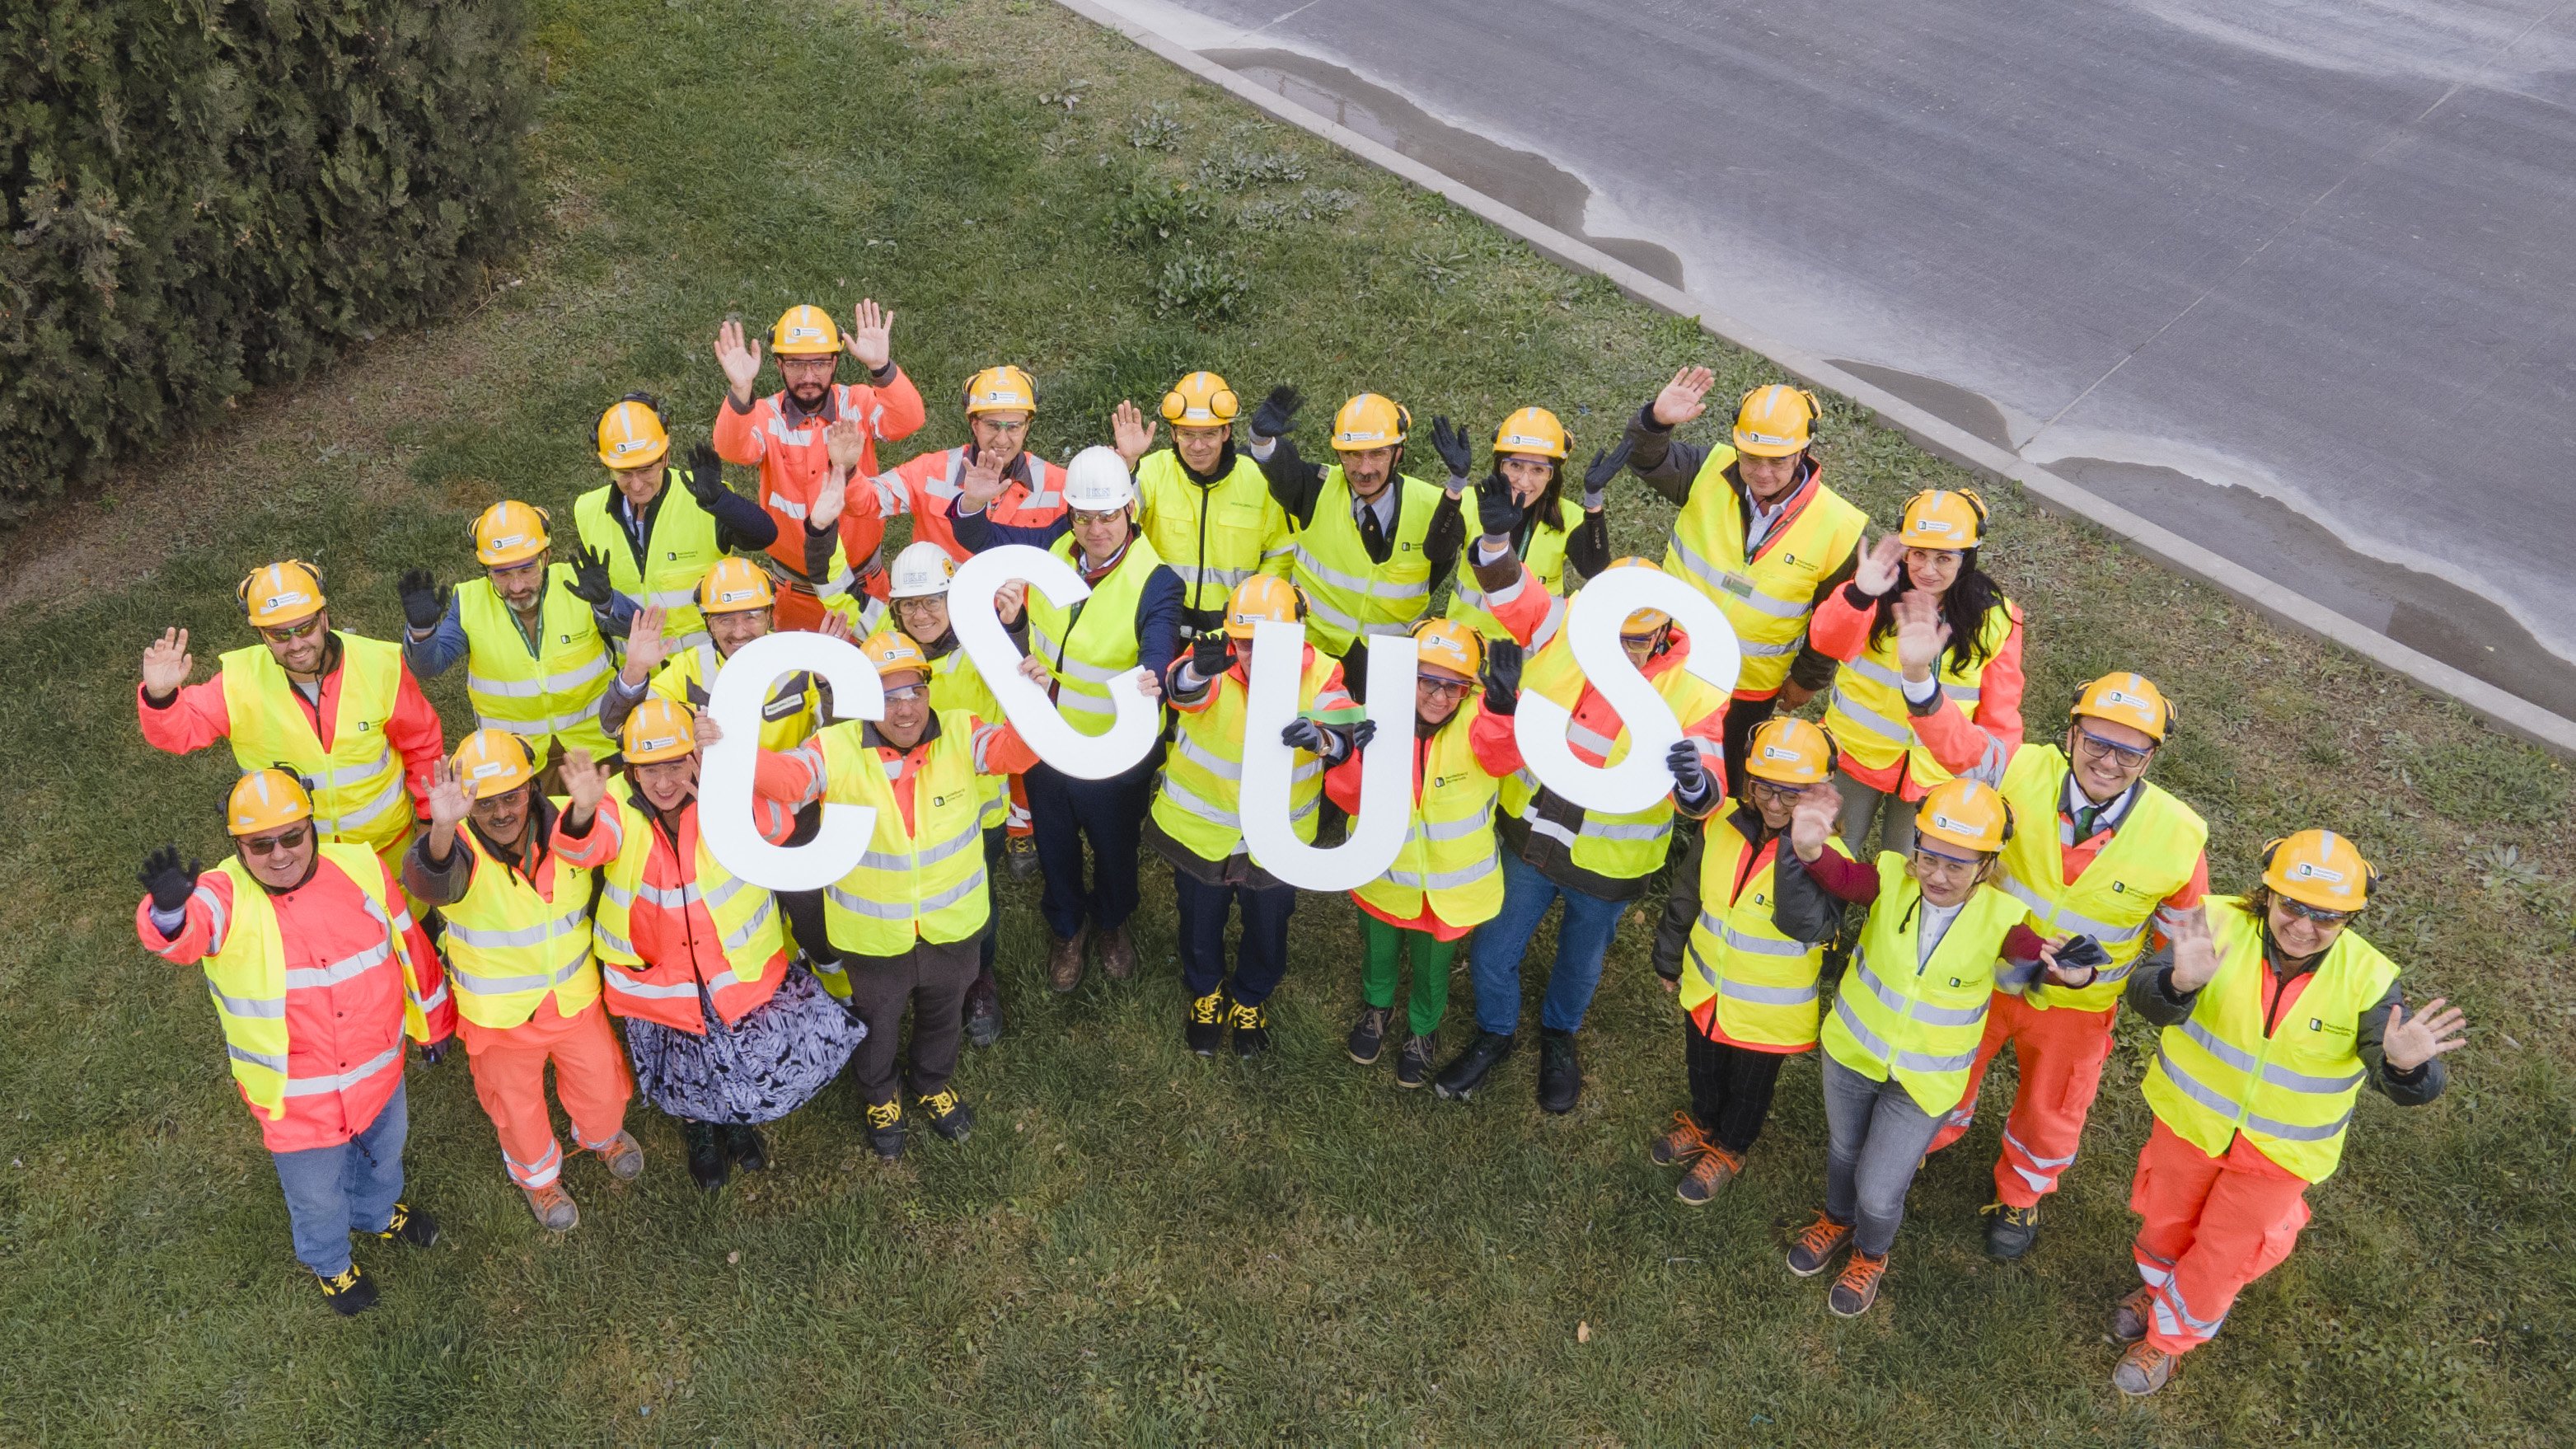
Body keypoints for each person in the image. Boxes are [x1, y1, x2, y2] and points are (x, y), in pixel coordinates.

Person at [2106, 832, 2463, 1396]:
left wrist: (2405, 1068)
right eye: (2293, 905)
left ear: (2351, 918)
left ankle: (2168, 1343)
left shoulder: (2369, 979)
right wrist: (2175, 982)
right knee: (2165, 1220)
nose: (2303, 926)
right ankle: (2157, 1291)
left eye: (2327, 916)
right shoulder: (2213, 922)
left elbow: (2403, 1076)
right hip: (2188, 1125)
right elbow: (2147, 997)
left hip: (2278, 1156)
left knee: (2224, 1252)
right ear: (2268, 894)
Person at [133, 769, 455, 1315]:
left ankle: (377, 1214)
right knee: (316, 1197)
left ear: (313, 828)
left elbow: (408, 944)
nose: (279, 854)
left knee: (385, 1157)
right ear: (238, 846)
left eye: (292, 837)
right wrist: (167, 913)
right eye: (260, 844)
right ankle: (331, 1264)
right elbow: (186, 936)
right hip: (296, 1103)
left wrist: (433, 1022)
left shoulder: (358, 865)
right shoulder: (221, 894)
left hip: (378, 1073)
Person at [1916, 665, 2209, 1261]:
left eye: (2129, 752)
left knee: (2054, 1107)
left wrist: (2137, 981)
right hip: (1984, 974)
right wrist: (1919, 677)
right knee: (1946, 1065)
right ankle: (1924, 1139)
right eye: (2097, 742)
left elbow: (2181, 949)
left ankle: (2022, 1192)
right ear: (2071, 735)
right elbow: (1955, 744)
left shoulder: (2178, 838)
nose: (2108, 762)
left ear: (2151, 759)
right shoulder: (2020, 770)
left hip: (2078, 1007)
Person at [1770, 776, 2087, 1317]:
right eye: (1929, 858)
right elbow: (1842, 877)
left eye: (1957, 866)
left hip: (1923, 1082)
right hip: (1853, 1051)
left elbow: (2041, 957)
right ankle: (1836, 1219)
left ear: (1986, 866)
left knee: (1878, 1190)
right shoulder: (1893, 879)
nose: (1938, 876)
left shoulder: (2000, 918)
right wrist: (1807, 848)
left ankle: (1871, 1252)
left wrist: (2072, 974)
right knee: (1844, 1150)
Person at [1436, 532, 1727, 1113]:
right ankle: (1496, 1032)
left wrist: (1695, 783)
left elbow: (1707, 782)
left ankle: (1558, 1036)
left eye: (1637, 645)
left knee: (1579, 962)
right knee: (1494, 952)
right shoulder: (1570, 624)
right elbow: (1516, 597)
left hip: (1606, 863)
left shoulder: (1697, 681)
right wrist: (1495, 542)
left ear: (1665, 631)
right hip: (1532, 837)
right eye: (1611, 641)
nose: (1620, 657)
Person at [741, 631, 1043, 1160]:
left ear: (929, 691)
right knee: (877, 1024)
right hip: (875, 937)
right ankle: (880, 1095)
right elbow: (788, 782)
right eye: (887, 696)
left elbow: (1014, 753)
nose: (904, 710)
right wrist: (731, 748)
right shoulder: (834, 748)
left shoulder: (960, 732)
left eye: (914, 693)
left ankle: (930, 1083)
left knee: (943, 1015)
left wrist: (1033, 703)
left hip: (952, 926)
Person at [592, 697, 864, 1190]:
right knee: (685, 1061)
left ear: (695, 759)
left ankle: (734, 1118)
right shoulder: (612, 803)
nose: (665, 782)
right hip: (663, 977)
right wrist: (584, 808)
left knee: (736, 1053)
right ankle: (701, 1129)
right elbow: (585, 845)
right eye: (649, 770)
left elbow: (778, 828)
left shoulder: (720, 792)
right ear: (630, 773)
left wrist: (725, 791)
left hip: (729, 969)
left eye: (676, 764)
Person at [952, 445, 1183, 992]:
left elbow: (1157, 648)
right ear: (1070, 515)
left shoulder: (1158, 580)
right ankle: (1067, 928)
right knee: (1054, 841)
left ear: (1130, 511)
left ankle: (1111, 922)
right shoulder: (1052, 548)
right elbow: (980, 543)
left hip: (1111, 753)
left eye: (1106, 516)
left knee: (1113, 846)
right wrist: (974, 506)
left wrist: (1153, 676)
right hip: (1044, 740)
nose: (1095, 529)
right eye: (1083, 516)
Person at [402, 730, 640, 1231]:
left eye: (510, 796)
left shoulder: (567, 813)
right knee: (517, 1109)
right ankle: (540, 1182)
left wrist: (583, 811)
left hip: (574, 1000)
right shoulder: (455, 843)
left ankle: (602, 1138)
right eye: (484, 803)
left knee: (602, 1088)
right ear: (466, 804)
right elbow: (429, 882)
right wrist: (442, 827)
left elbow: (588, 846)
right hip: (500, 1021)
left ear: (531, 787)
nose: (501, 813)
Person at [1618, 372, 1866, 788]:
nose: (1762, 472)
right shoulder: (1707, 471)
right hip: (1668, 658)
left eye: (1777, 460)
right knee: (1637, 754)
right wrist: (1656, 423)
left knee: (1722, 780)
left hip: (1747, 688)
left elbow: (1834, 622)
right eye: (1750, 457)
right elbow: (1646, 459)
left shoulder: (1841, 527)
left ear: (1803, 451)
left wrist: (1805, 681)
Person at [1150, 576, 1364, 1055]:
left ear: (1298, 635)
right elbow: (1181, 691)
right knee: (1198, 920)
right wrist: (1196, 674)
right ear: (1230, 638)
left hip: (1278, 844)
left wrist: (1326, 740)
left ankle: (1250, 997)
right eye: (1245, 643)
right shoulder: (1210, 661)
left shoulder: (1322, 674)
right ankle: (1206, 991)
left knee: (1269, 925)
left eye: (1270, 643)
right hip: (1204, 835)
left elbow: (1344, 722)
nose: (1255, 655)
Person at [598, 560, 844, 973]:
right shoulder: (688, 670)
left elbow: (840, 738)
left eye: (751, 615)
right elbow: (619, 727)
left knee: (815, 924)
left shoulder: (802, 661)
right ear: (708, 623)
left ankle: (841, 994)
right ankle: (783, 983)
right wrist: (635, 670)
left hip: (798, 817)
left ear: (771, 614)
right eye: (724, 619)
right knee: (747, 919)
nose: (739, 630)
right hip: (723, 822)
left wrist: (828, 682)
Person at [138, 561, 447, 884]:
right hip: (297, 861)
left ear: (324, 617)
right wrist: (161, 698)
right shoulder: (237, 681)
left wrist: (428, 820)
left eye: (304, 628)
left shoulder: (379, 664)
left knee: (406, 927)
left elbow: (422, 745)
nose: (297, 644)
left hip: (387, 848)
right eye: (279, 634)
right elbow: (177, 733)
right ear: (261, 635)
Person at [1651, 718, 1850, 1202]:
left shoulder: (1831, 856)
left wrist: (1797, 849)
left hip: (1769, 1015)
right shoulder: (1719, 824)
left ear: (1819, 794)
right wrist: (1668, 956)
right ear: (1749, 782)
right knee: (1702, 1067)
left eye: (1791, 795)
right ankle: (1702, 1121)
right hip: (1707, 990)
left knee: (1749, 1090)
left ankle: (1732, 1145)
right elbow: (1688, 892)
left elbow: (1807, 925)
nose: (1775, 805)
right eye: (1764, 789)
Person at [880, 367, 1062, 879]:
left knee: (1021, 720)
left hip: (1018, 626)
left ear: (1028, 425)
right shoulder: (933, 472)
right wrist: (843, 474)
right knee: (958, 720)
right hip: (941, 627)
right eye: (990, 424)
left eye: (1014, 425)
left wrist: (1128, 463)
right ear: (971, 422)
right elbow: (866, 500)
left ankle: (1021, 828)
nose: (1001, 438)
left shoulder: (1056, 483)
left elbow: (1104, 518)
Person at [1326, 618, 1510, 1087]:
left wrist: (1505, 709)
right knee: (1379, 949)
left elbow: (1503, 754)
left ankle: (1423, 1031)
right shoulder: (1375, 718)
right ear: (1407, 676)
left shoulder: (1479, 721)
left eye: (1455, 687)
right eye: (1429, 681)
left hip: (1447, 891)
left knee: (1433, 967)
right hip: (1385, 877)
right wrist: (1350, 758)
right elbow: (1350, 798)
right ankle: (1377, 1008)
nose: (1440, 698)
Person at [1812, 489, 2025, 856]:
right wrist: (1860, 595)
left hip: (1937, 772)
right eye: (1918, 555)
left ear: (1967, 558)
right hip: (1855, 754)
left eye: (1944, 558)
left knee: (1911, 870)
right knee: (1829, 855)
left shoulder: (1997, 618)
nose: (1927, 570)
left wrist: (1990, 777)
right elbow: (1826, 642)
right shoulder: (1872, 585)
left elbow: (2000, 712)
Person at [884, 541, 1026, 1046]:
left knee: (974, 898)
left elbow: (1025, 681)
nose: (920, 615)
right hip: (901, 812)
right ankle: (909, 981)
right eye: (909, 604)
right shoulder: (881, 650)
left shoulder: (985, 644)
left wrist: (1015, 632)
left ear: (954, 600)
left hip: (974, 812)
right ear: (895, 608)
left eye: (932, 602)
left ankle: (979, 983)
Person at [712, 301, 925, 626]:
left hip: (863, 586)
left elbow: (908, 420)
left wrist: (882, 367)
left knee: (877, 670)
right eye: (796, 364)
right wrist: (741, 391)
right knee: (802, 677)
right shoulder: (767, 414)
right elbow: (732, 450)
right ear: (779, 364)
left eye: (820, 364)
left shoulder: (857, 402)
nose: (809, 376)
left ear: (835, 362)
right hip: (797, 595)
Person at [398, 501, 620, 786]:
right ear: (486, 570)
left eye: (527, 570)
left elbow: (626, 628)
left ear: (546, 557)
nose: (516, 586)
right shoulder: (468, 602)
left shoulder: (581, 582)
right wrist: (422, 630)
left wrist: (606, 603)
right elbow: (429, 667)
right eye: (501, 573)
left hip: (599, 751)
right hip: (515, 760)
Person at [1244, 387, 1465, 664]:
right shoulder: (1317, 489)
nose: (1364, 468)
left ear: (1398, 454)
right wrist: (1261, 439)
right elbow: (1281, 471)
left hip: (1390, 659)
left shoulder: (1434, 505)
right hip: (1315, 652)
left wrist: (1457, 484)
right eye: (1352, 454)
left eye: (1377, 454)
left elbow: (1448, 557)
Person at [573, 395, 781, 656]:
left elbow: (764, 535)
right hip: (641, 673)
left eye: (646, 469)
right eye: (624, 473)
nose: (636, 485)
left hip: (704, 670)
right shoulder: (587, 510)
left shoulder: (702, 495)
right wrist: (605, 605)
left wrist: (721, 501)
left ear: (665, 457)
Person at [1110, 371, 1294, 638]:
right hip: (1159, 625)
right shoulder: (1152, 471)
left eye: (1209, 434)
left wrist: (1254, 604)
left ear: (1226, 432)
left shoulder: (1258, 480)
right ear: (1173, 433)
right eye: (1187, 434)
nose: (1197, 446)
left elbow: (1281, 553)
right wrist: (1127, 465)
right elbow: (1118, 516)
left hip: (1234, 630)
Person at [1444, 408, 1612, 646]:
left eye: (1538, 470)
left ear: (1552, 476)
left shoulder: (1570, 517)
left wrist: (1594, 504)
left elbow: (1595, 570)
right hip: (1467, 650)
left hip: (1532, 660)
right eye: (1515, 466)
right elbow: (1435, 553)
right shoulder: (1471, 502)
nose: (1523, 482)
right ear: (1500, 466)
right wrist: (1454, 488)